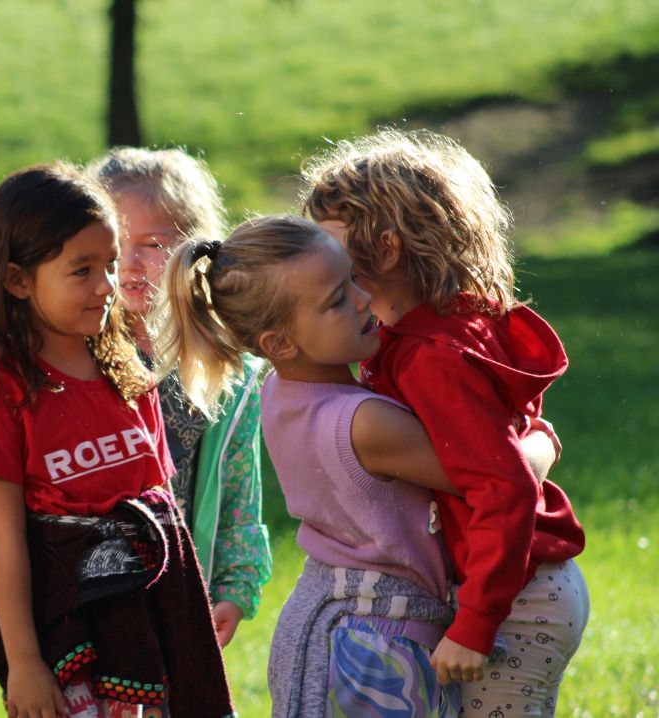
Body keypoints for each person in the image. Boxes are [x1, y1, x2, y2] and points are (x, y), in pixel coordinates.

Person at [303, 129, 588, 714]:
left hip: (515, 598)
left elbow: (502, 486)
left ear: (384, 250)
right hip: (524, 583)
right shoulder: (443, 329)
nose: (318, 265)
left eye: (330, 251)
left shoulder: (432, 357)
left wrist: (475, 624)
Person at [151, 214, 479, 715]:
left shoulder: (280, 390)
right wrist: (539, 441)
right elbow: (485, 474)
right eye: (336, 300)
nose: (363, 298)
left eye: (352, 278)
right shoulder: (364, 423)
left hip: (324, 624)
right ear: (279, 343)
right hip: (377, 645)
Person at [0, 163, 235, 718]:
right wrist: (25, 662)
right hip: (71, 638)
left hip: (159, 626)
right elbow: (7, 544)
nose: (108, 285)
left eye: (108, 264)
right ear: (17, 280)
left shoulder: (127, 371)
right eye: (82, 270)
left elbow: (163, 516)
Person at [86, 147, 272, 649]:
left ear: (193, 248)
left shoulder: (219, 369)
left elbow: (238, 490)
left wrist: (234, 586)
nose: (128, 262)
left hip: (181, 594)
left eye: (151, 243)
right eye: (113, 244)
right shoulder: (74, 358)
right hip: (86, 595)